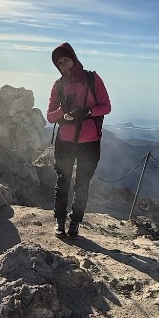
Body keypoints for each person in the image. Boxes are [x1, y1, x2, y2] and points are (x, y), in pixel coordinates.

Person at [46, 42, 111, 237]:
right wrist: (63, 110)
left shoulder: (92, 79)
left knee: (82, 184)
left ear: (74, 58)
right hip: (66, 141)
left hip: (89, 142)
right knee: (63, 182)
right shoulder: (58, 85)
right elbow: (50, 116)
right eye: (59, 63)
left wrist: (88, 112)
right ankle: (60, 221)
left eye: (65, 60)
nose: (62, 65)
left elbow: (106, 106)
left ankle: (75, 222)